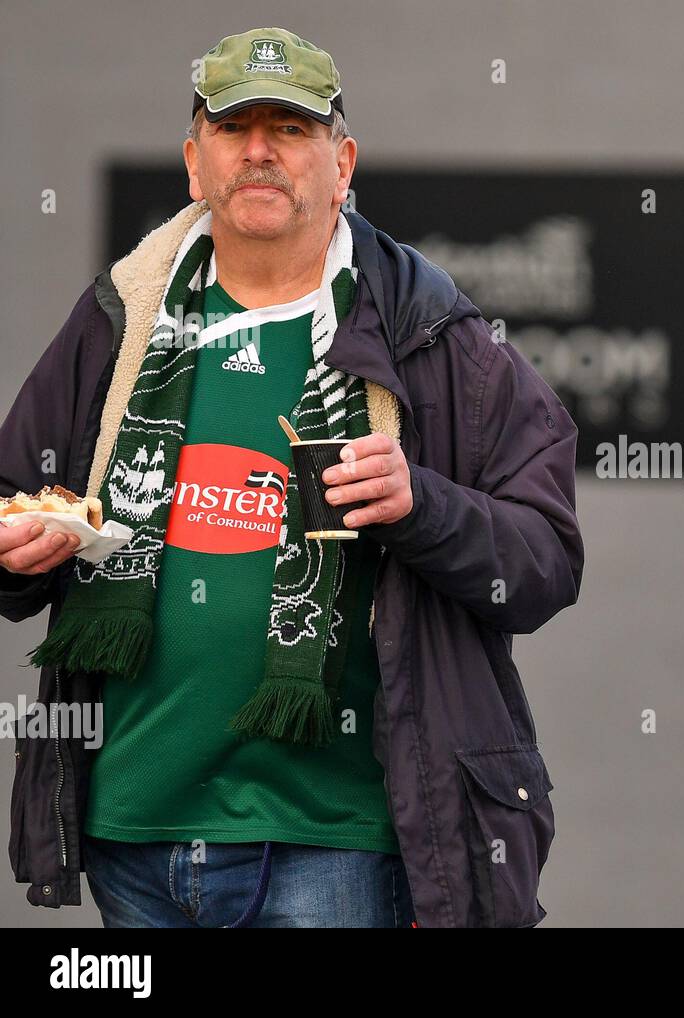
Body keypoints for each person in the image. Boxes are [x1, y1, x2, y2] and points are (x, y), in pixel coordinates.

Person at [0, 26, 582, 928]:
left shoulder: (433, 333)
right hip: (137, 836)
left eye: (292, 128)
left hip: (336, 848)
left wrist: (420, 504)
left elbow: (545, 562)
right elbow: (13, 497)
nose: (261, 150)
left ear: (342, 163)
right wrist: (17, 550)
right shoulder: (121, 318)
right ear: (195, 163)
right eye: (235, 128)